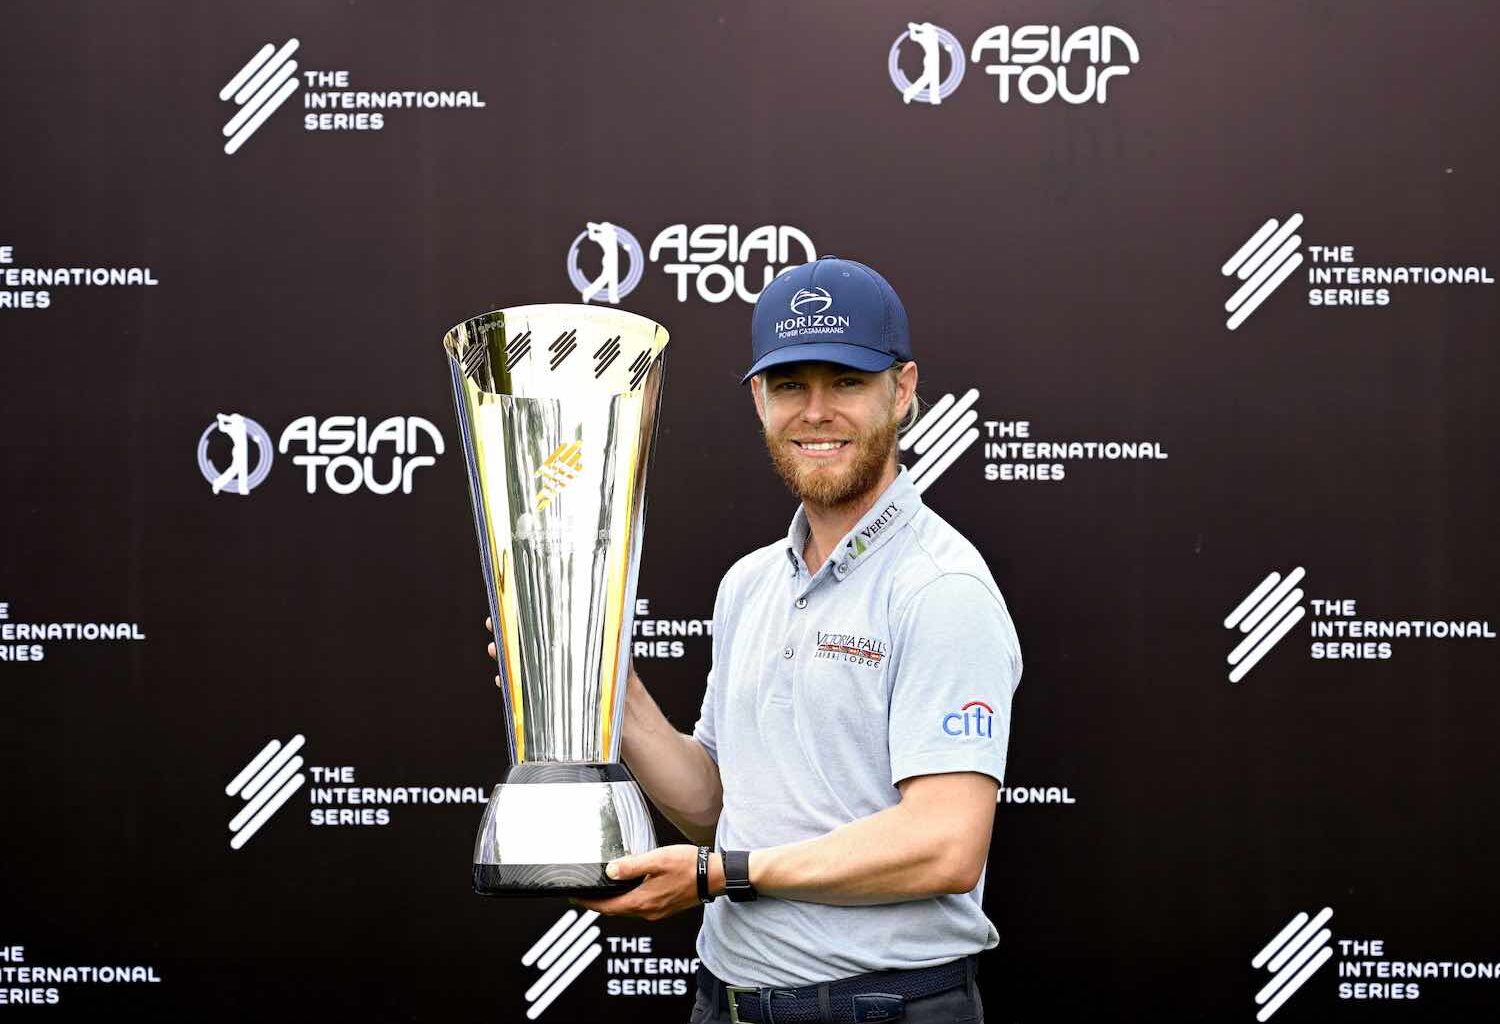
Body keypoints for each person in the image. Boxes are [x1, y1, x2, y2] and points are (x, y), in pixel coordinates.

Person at [489, 256, 1022, 1023]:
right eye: (788, 385)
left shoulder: (939, 588)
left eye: (846, 382)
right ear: (757, 400)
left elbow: (945, 844)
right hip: (727, 1002)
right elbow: (714, 806)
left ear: (902, 392)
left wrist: (717, 876)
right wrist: (603, 678)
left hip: (880, 1009)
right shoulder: (749, 585)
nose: (815, 412)